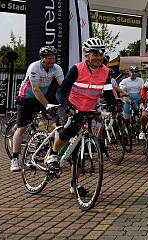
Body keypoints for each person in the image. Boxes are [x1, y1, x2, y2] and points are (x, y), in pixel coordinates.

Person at [46, 38, 110, 196]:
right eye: (95, 54)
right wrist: (67, 105)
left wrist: (114, 103)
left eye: (101, 54)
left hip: (89, 111)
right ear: (87, 55)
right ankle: (53, 155)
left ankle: (74, 184)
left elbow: (108, 93)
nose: (98, 57)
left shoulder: (106, 71)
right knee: (68, 132)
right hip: (72, 108)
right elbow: (60, 92)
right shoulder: (77, 69)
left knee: (81, 153)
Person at [10, 46, 64, 172]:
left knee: (54, 118)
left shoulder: (56, 68)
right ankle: (14, 159)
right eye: (49, 58)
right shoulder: (34, 67)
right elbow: (35, 89)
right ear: (42, 58)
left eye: (53, 58)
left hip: (41, 96)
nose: (52, 61)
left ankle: (43, 139)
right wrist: (47, 105)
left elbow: (63, 86)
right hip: (27, 97)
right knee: (21, 128)